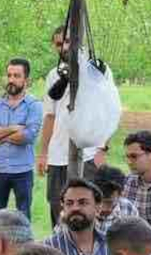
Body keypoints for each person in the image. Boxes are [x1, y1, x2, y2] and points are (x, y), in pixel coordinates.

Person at [37, 25, 109, 227]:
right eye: (59, 44)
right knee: (57, 208)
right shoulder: (54, 75)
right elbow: (50, 116)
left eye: (68, 41)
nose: (64, 47)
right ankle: (59, 254)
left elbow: (109, 111)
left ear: (78, 42)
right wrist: (43, 153)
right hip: (57, 155)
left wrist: (102, 149)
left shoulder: (97, 71)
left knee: (87, 210)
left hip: (87, 154)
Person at [0, 58, 43, 220]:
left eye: (17, 76)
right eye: (9, 75)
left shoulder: (34, 105)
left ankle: (25, 246)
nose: (11, 80)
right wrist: (13, 128)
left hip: (22, 171)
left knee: (23, 216)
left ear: (26, 80)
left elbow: (28, 136)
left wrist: (0, 136)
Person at [93, 164, 139, 235]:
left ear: (121, 194)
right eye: (99, 201)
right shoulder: (85, 209)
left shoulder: (129, 210)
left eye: (109, 202)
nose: (104, 208)